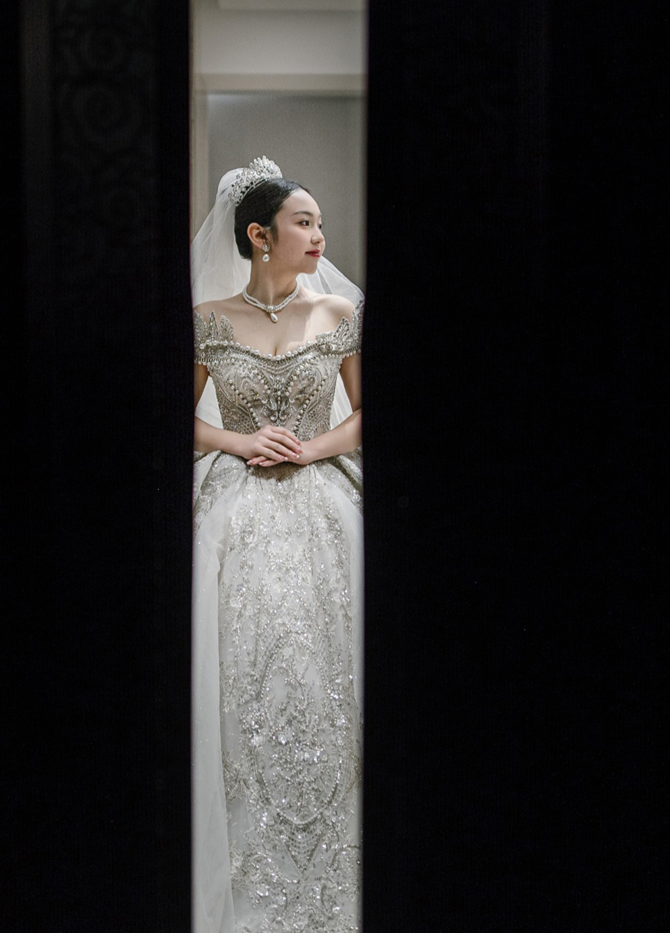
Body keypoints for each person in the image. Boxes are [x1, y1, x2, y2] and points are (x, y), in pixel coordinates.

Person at [191, 156, 365, 933]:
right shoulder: (208, 317)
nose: (320, 235)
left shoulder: (338, 313)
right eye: (304, 222)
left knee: (329, 671)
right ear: (259, 235)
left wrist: (312, 447)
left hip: (322, 497)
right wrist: (238, 438)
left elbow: (365, 412)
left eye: (321, 222)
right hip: (236, 503)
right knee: (240, 676)